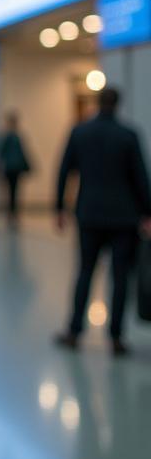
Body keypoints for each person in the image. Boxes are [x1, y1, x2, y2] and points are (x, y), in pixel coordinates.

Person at [54, 86, 151, 356]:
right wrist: (147, 213)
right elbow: (141, 178)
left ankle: (74, 331)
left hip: (90, 214)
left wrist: (59, 208)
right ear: (118, 104)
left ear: (97, 102)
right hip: (124, 217)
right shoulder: (128, 135)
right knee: (120, 278)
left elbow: (64, 171)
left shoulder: (80, 132)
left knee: (85, 271)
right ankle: (116, 337)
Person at [0, 111, 31, 227]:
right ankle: (11, 214)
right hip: (10, 168)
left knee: (14, 191)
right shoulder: (9, 137)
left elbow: (22, 153)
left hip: (15, 168)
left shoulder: (16, 137)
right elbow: (1, 153)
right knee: (11, 192)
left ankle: (13, 213)